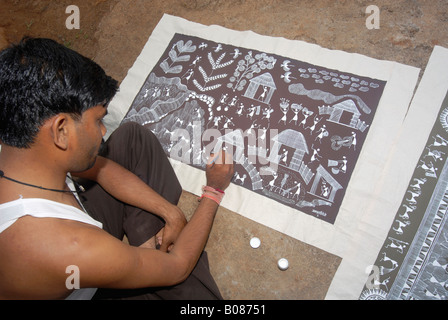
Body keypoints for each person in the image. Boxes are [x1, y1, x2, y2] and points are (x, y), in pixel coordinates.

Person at [0, 37, 234, 300]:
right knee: (195, 294)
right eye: (98, 120)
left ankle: (143, 253)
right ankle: (142, 264)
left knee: (131, 138)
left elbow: (102, 168)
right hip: (86, 277)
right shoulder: (71, 247)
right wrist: (214, 191)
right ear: (61, 130)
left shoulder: (19, 150)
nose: (102, 132)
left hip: (75, 232)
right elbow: (177, 268)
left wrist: (172, 214)